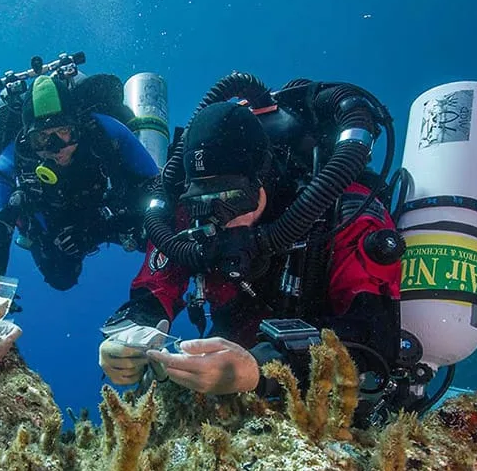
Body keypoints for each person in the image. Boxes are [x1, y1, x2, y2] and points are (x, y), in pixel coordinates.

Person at [99, 80, 405, 424]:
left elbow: (375, 340)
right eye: (203, 202)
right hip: (238, 398)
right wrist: (129, 337)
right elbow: (155, 290)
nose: (218, 218)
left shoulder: (341, 209)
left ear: (265, 179)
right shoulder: (187, 215)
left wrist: (263, 368)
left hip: (338, 408)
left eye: (233, 200)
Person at [0, 74, 160, 291]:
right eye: (42, 138)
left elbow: (154, 184)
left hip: (108, 214)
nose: (55, 147)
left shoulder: (105, 132)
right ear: (27, 138)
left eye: (63, 132)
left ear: (77, 127)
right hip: (55, 229)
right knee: (60, 278)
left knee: (155, 231)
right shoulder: (11, 161)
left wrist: (98, 228)